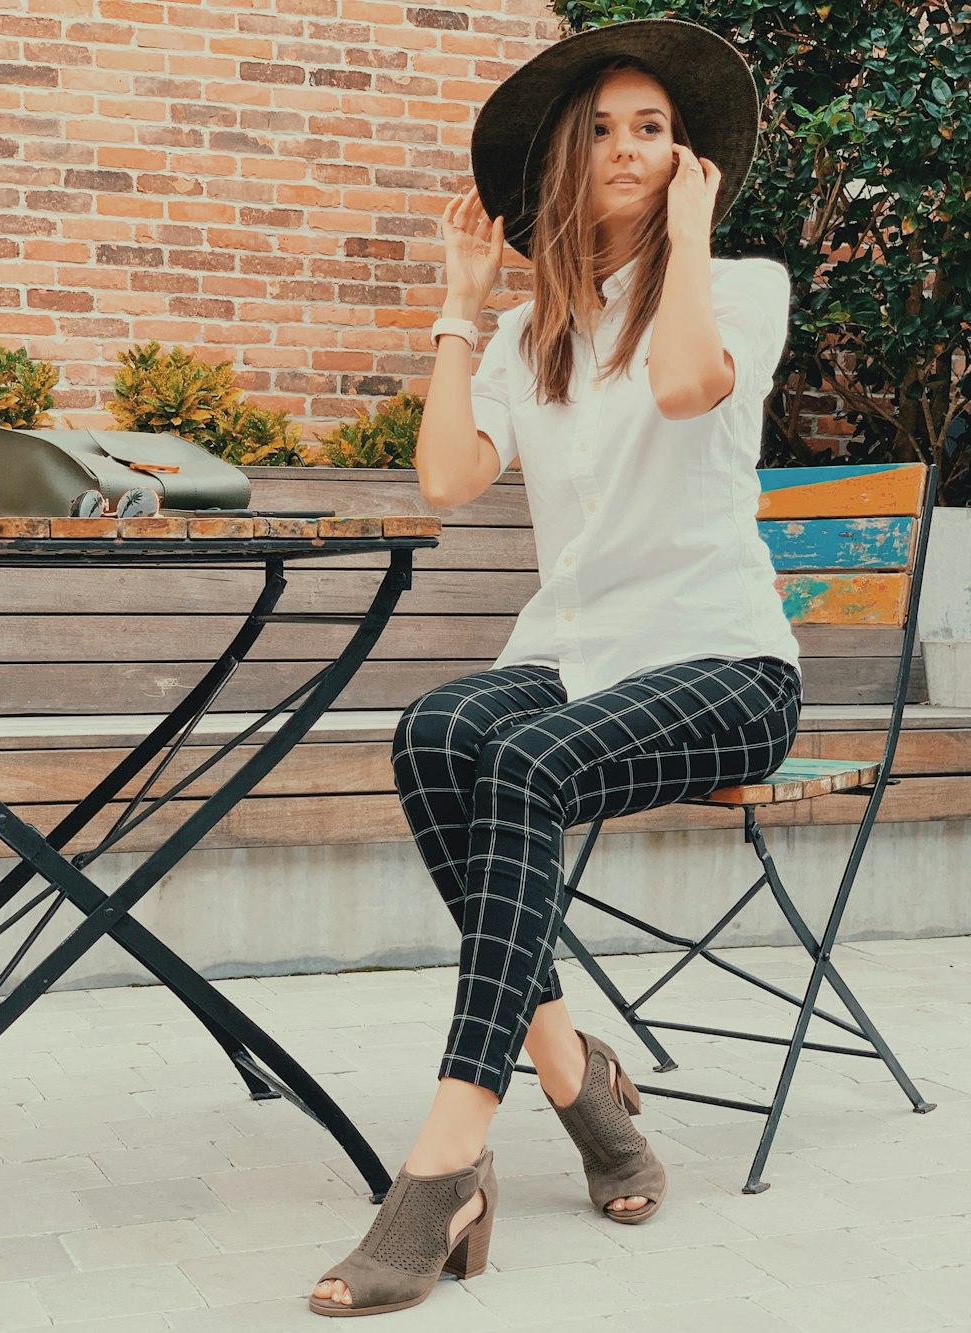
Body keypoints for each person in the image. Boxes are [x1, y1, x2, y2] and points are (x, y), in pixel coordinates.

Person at [310, 16, 802, 1318]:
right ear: (564, 166)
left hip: (726, 667)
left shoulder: (742, 285)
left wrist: (692, 235)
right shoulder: (538, 334)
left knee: (520, 759)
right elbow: (445, 478)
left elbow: (693, 385)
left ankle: (445, 1163)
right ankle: (582, 1084)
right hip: (584, 661)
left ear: (684, 154)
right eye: (602, 130)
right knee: (431, 734)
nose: (630, 147)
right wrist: (462, 313)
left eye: (653, 126)